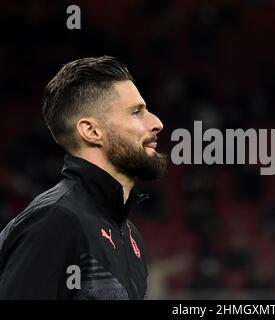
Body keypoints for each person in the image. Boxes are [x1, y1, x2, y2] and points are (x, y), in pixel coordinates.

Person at [0, 56, 166, 299]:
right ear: (92, 131)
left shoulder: (129, 236)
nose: (157, 123)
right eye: (136, 112)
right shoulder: (57, 222)